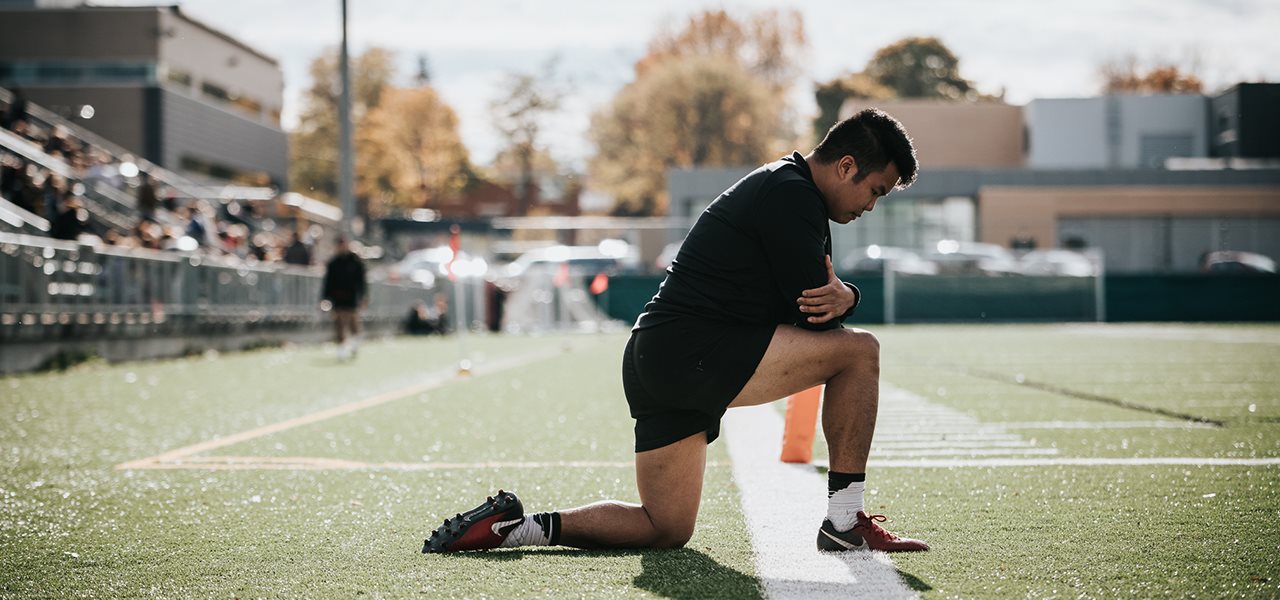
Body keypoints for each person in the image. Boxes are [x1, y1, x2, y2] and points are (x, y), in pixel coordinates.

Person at [423, 108, 926, 555]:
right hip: (694, 352)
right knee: (859, 352)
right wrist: (852, 297)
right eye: (874, 191)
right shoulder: (792, 195)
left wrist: (840, 296)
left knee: (663, 527)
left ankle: (515, 528)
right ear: (845, 166)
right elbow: (821, 316)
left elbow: (811, 306)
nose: (870, 206)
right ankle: (843, 521)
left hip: (656, 356)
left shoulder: (785, 187)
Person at [322, 236, 367, 361]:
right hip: (337, 297)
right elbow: (328, 282)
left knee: (353, 321)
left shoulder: (356, 262)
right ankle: (342, 347)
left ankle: (355, 341)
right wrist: (325, 298)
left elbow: (361, 282)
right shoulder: (333, 263)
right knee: (339, 322)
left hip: (352, 297)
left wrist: (363, 297)